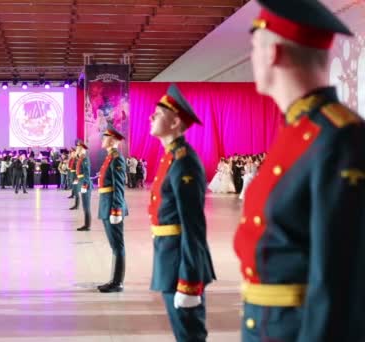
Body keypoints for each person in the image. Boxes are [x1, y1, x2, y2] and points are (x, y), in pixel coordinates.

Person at [235, 1, 365, 341]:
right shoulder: (298, 131)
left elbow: (339, 280)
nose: (251, 58)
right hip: (268, 324)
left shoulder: (339, 139)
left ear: (273, 53)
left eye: (253, 48)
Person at [149, 84, 216, 341]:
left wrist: (189, 281)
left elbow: (193, 227)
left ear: (175, 122)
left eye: (158, 113)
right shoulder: (170, 158)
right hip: (169, 256)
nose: (151, 117)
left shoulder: (184, 162)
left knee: (189, 334)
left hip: (181, 263)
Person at [97, 126, 128, 293]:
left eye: (105, 136)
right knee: (114, 245)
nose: (102, 139)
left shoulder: (117, 159)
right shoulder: (110, 157)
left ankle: (117, 282)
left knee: (117, 245)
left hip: (112, 206)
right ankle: (114, 279)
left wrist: (116, 210)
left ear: (113, 139)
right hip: (106, 203)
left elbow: (119, 187)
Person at [75, 141, 92, 231]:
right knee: (85, 205)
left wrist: (84, 185)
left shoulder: (85, 159)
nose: (77, 149)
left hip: (85, 184)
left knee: (86, 205)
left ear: (82, 149)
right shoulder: (81, 158)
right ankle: (86, 224)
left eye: (78, 148)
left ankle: (87, 225)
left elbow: (86, 173)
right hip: (81, 182)